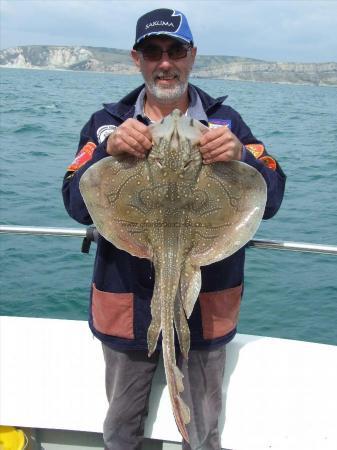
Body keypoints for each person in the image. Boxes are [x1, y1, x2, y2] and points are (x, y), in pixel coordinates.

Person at [62, 8, 286, 450]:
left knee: (203, 432)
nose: (165, 61)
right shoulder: (107, 122)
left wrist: (242, 156)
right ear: (137, 58)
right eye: (153, 51)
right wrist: (106, 152)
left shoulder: (227, 123)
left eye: (176, 50)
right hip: (126, 305)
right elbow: (75, 201)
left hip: (208, 309)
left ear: (192, 56)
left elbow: (272, 196)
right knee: (120, 428)